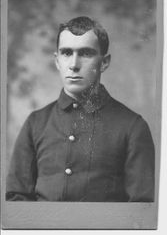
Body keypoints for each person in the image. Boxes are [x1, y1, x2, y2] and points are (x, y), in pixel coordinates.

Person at [6, 16, 155, 202]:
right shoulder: (36, 123)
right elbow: (16, 199)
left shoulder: (132, 127)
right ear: (57, 61)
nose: (74, 65)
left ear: (104, 62)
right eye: (67, 53)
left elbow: (141, 211)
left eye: (85, 53)